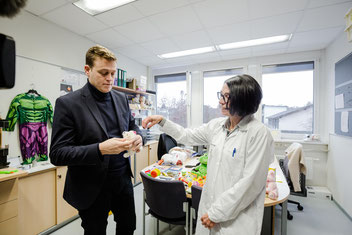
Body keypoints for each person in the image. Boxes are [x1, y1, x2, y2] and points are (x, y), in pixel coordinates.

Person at [142, 74, 274, 235]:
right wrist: (163, 121)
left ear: (243, 99)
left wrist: (216, 213)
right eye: (221, 95)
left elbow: (250, 184)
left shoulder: (258, 133)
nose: (220, 101)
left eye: (226, 97)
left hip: (236, 220)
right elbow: (186, 135)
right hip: (209, 210)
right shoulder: (217, 126)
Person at [50, 45, 144, 235]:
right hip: (91, 187)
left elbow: (132, 126)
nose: (110, 79)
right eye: (103, 73)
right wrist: (100, 149)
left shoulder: (121, 98)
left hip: (123, 180)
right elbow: (58, 154)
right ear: (87, 70)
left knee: (128, 227)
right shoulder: (68, 103)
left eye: (113, 73)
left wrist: (137, 137)